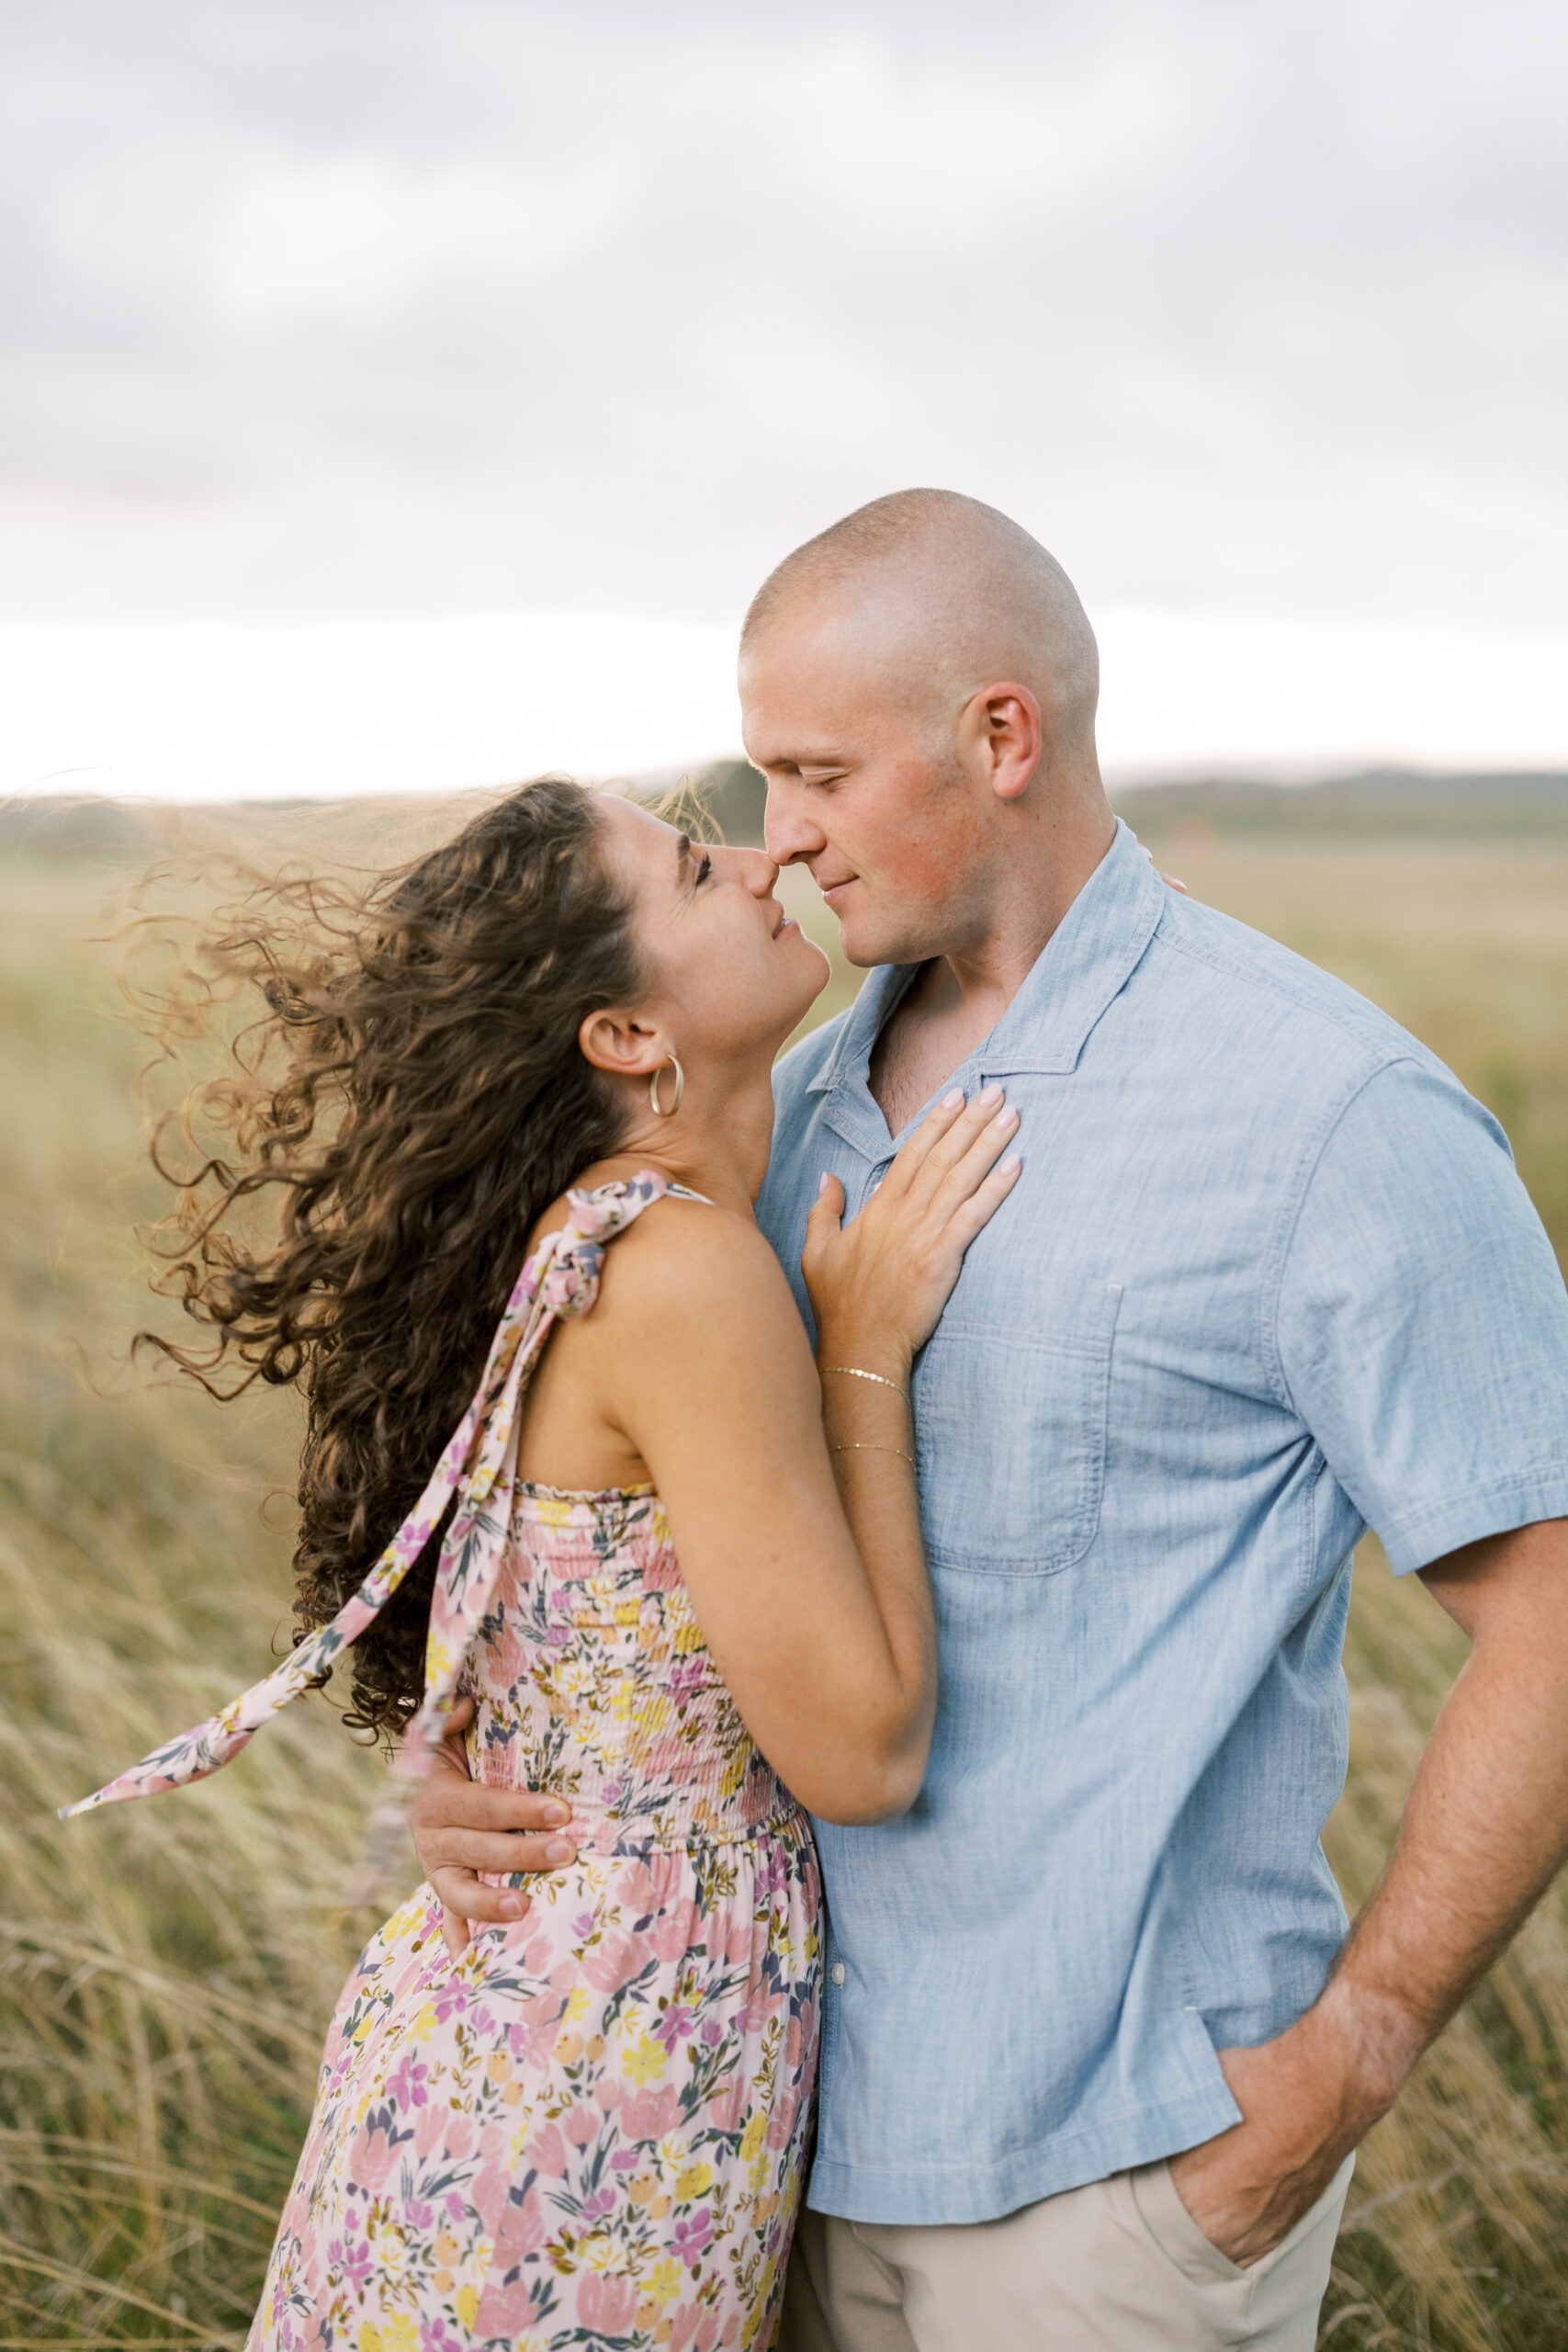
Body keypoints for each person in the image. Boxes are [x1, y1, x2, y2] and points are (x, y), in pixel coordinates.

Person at [414, 492, 1568, 2352]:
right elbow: (675, 1574)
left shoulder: (1328, 1113)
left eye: (811, 773)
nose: (774, 838)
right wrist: (470, 1770)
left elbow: (1548, 1607)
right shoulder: (772, 1111)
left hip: (1112, 2182)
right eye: (754, 781)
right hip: (748, 2151)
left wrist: (1349, 2053)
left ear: (998, 737)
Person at [61, 774, 1023, 2347]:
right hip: (593, 2079)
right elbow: (859, 1749)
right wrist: (864, 1353)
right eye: (702, 869)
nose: (770, 849)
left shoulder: (587, 1237)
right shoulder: (681, 1271)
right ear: (628, 1035)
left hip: (523, 2045)